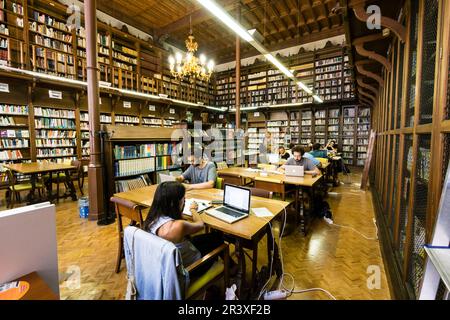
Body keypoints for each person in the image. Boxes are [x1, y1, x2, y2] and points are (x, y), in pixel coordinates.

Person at [143, 181, 232, 278]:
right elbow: (200, 224)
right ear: (173, 203)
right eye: (183, 198)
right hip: (191, 268)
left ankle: (231, 268)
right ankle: (232, 269)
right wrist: (193, 210)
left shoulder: (151, 219)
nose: (184, 200)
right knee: (219, 242)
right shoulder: (178, 226)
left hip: (168, 267)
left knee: (214, 236)